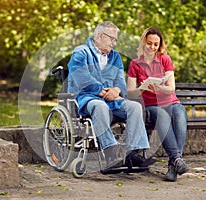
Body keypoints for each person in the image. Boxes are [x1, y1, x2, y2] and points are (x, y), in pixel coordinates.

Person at [67, 21, 156, 171]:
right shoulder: (81, 52)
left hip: (112, 100)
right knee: (99, 105)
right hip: (87, 98)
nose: (114, 43)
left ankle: (133, 153)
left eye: (116, 40)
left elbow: (121, 82)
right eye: (112, 39)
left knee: (134, 107)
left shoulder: (115, 57)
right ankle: (110, 153)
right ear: (101, 36)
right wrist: (101, 92)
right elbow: (81, 77)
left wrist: (116, 90)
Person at [126, 27, 189, 181]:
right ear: (143, 43)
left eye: (156, 44)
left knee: (180, 113)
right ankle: (176, 160)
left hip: (171, 101)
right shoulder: (135, 64)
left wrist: (160, 87)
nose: (152, 47)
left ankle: (173, 164)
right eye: (149, 43)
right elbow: (130, 92)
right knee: (161, 115)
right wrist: (142, 88)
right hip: (151, 105)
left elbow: (171, 88)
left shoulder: (165, 59)